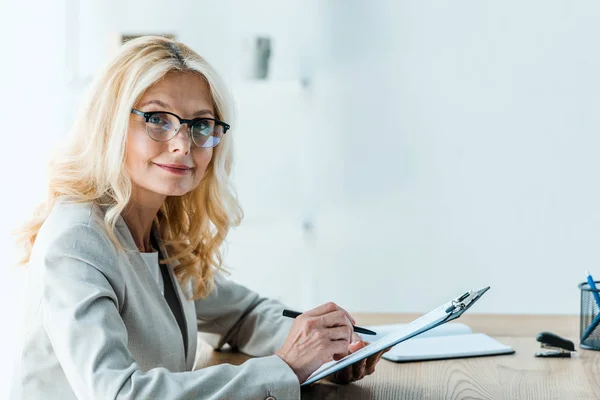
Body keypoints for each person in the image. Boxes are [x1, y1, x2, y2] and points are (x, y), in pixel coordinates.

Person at [9, 36, 387, 399]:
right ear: (109, 125)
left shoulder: (153, 227)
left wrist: (327, 350)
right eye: (157, 118)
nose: (182, 144)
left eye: (201, 124)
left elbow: (244, 314)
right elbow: (120, 393)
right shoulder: (78, 241)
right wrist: (285, 368)